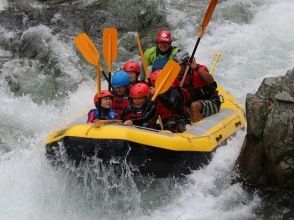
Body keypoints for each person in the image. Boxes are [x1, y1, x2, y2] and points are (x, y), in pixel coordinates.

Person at [180, 56, 221, 123]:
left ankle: (198, 130)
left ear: (185, 64)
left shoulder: (200, 69)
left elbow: (211, 80)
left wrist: (196, 68)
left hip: (211, 101)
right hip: (192, 104)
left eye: (179, 65)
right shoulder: (176, 78)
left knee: (194, 106)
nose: (176, 68)